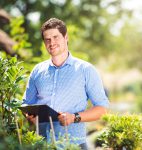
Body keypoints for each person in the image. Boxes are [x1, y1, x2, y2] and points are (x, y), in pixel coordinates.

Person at [23, 18, 109, 150]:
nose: (52, 43)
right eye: (47, 39)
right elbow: (26, 103)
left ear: (66, 37)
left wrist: (75, 117)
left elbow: (102, 109)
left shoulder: (86, 70)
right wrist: (30, 116)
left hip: (74, 145)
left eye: (56, 37)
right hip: (42, 144)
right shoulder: (37, 71)